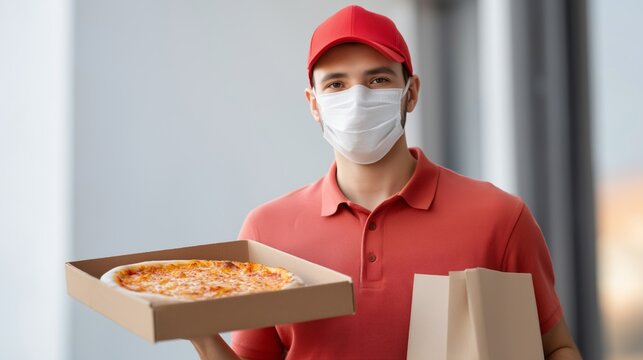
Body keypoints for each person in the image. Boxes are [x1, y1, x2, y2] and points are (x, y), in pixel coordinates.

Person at [190, 5, 582, 359]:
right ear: (313, 103)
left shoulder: (499, 219)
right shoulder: (266, 233)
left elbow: (556, 348)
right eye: (336, 85)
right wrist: (197, 331)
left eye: (377, 81)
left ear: (411, 93)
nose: (356, 100)